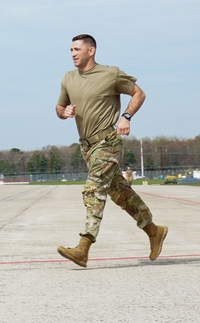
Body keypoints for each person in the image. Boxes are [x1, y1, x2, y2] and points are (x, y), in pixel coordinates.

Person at [55, 34, 167, 268]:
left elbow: (139, 93)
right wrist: (63, 113)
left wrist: (126, 117)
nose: (73, 53)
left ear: (91, 50)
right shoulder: (68, 78)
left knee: (93, 189)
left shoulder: (110, 74)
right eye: (70, 50)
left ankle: (84, 246)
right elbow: (59, 106)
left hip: (107, 141)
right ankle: (154, 231)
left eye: (77, 49)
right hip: (87, 147)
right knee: (121, 194)